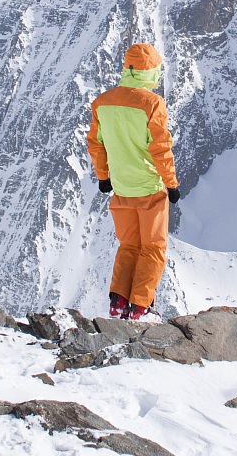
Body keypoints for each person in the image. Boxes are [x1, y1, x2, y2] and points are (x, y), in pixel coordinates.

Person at [86, 43, 180, 321]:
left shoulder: (103, 102)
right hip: (149, 188)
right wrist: (171, 184)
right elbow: (160, 148)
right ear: (150, 72)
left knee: (128, 246)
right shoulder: (151, 104)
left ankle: (118, 303)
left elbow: (96, 144)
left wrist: (103, 177)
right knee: (152, 248)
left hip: (121, 187)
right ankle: (140, 307)